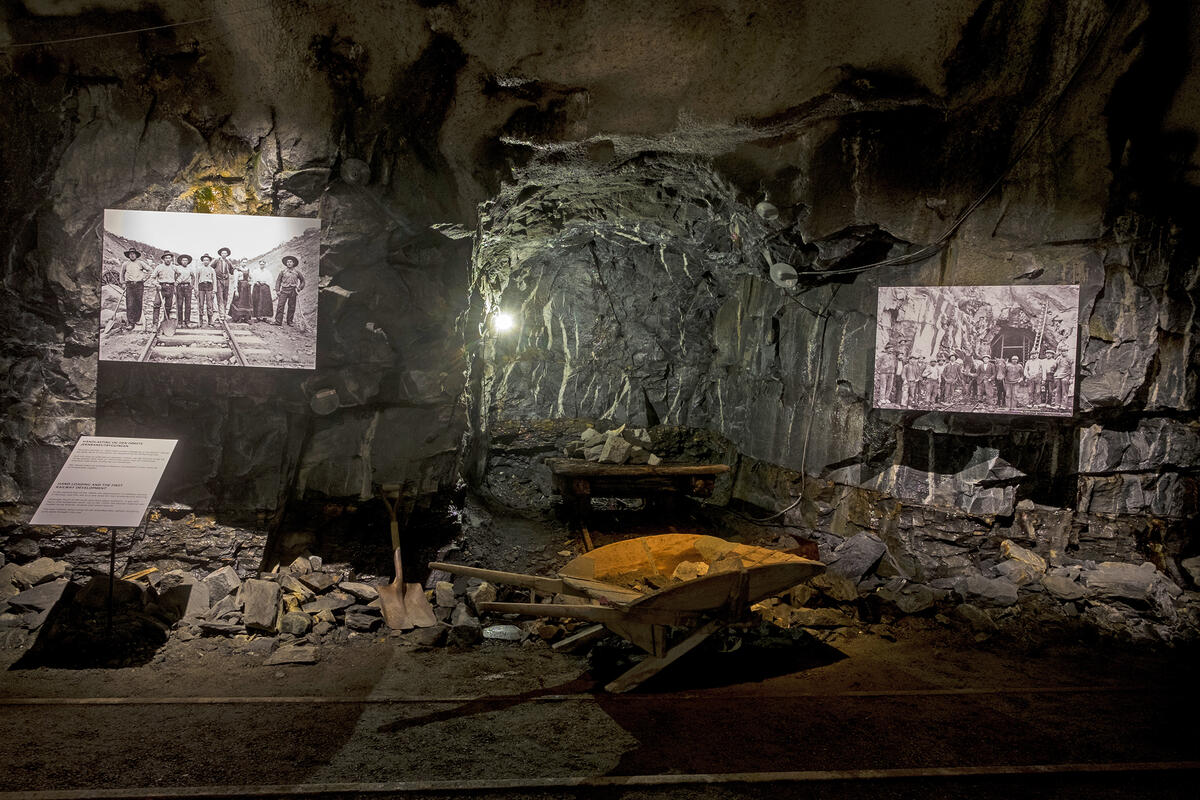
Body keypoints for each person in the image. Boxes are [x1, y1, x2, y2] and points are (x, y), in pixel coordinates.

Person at [119, 248, 149, 331]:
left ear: (136, 255)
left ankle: (137, 320)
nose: (132, 255)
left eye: (133, 253)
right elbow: (121, 274)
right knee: (130, 303)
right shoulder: (125, 264)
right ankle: (131, 323)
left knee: (138, 302)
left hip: (139, 285)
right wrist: (123, 283)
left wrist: (145, 279)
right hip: (129, 285)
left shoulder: (140, 263)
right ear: (128, 255)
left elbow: (150, 270)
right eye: (130, 254)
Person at [273, 255, 305, 326]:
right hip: (284, 290)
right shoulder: (282, 272)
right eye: (288, 262)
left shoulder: (297, 272)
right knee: (280, 306)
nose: (289, 263)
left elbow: (303, 281)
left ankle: (290, 321)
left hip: (293, 291)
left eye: (291, 262)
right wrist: (277, 290)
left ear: (293, 263)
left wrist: (299, 288)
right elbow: (278, 281)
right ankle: (278, 321)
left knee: (292, 306)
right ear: (286, 263)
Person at [147, 252, 176, 326]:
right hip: (161, 287)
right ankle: (155, 323)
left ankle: (165, 321)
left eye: (169, 258)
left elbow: (179, 275)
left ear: (171, 259)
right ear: (163, 259)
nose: (168, 259)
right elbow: (152, 277)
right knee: (157, 304)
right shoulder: (159, 267)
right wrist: (157, 284)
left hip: (170, 287)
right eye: (166, 258)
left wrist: (176, 282)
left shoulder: (174, 267)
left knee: (168, 305)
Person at [213, 246, 235, 321]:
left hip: (226, 281)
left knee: (225, 297)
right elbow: (211, 268)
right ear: (220, 254)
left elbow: (232, 271)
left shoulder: (228, 262)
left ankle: (224, 313)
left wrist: (235, 269)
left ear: (227, 254)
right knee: (220, 297)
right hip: (218, 281)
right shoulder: (216, 261)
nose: (224, 254)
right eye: (222, 253)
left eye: (225, 253)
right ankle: (221, 314)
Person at [174, 254, 197, 327]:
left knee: (188, 305)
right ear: (181, 261)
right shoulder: (177, 268)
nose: (185, 262)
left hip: (188, 287)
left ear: (188, 262)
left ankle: (187, 321)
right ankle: (180, 322)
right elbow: (174, 277)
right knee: (179, 304)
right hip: (179, 287)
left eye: (186, 260)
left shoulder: (190, 269)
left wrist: (192, 285)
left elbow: (193, 277)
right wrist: (175, 286)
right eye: (183, 260)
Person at [196, 254, 217, 327]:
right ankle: (201, 320)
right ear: (202, 261)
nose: (206, 261)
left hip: (209, 286)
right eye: (204, 260)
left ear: (209, 261)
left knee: (209, 304)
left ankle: (210, 320)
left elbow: (214, 280)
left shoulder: (212, 269)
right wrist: (196, 290)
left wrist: (214, 290)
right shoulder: (199, 269)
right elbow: (196, 280)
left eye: (207, 260)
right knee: (201, 304)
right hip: (201, 286)